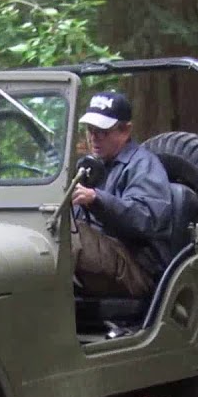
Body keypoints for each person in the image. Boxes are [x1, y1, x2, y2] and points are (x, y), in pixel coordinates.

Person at [70, 91, 175, 298]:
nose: (93, 137)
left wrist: (97, 199)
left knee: (66, 238)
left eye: (102, 131)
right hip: (104, 257)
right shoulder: (91, 167)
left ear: (125, 131)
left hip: (136, 266)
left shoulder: (143, 164)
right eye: (90, 130)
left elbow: (147, 219)